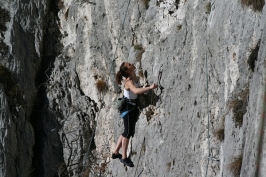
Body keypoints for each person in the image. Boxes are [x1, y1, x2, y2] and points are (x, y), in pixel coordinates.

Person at [112, 62, 158, 167]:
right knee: (128, 132)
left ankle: (115, 152)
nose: (132, 64)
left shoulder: (135, 78)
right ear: (128, 70)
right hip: (128, 109)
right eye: (129, 64)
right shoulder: (128, 82)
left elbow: (138, 90)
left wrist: (144, 88)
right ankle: (124, 157)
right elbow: (136, 91)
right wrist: (150, 88)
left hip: (131, 108)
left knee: (126, 131)